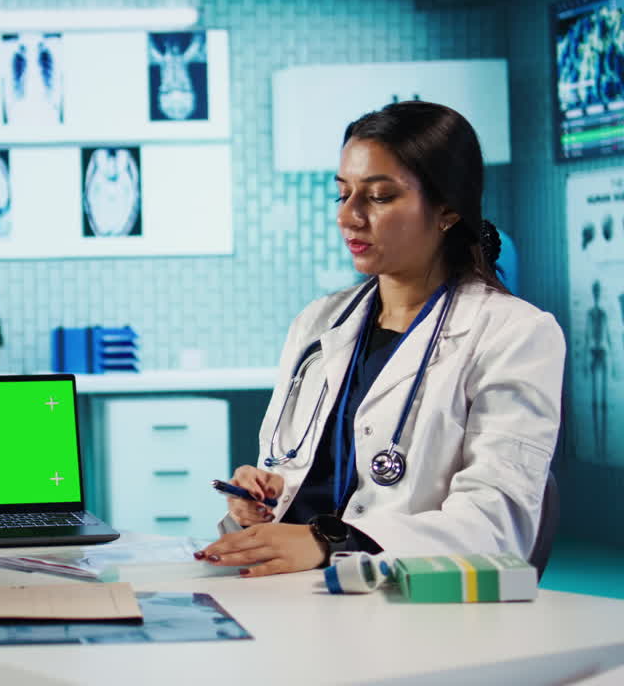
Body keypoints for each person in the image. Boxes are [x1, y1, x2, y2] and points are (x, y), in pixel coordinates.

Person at [197, 101, 564, 577]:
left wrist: (329, 543)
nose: (348, 217)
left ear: (448, 210)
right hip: (288, 591)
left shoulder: (516, 335)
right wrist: (261, 498)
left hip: (398, 602)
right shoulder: (318, 323)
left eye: (379, 196)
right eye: (343, 194)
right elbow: (295, 474)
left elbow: (497, 527)